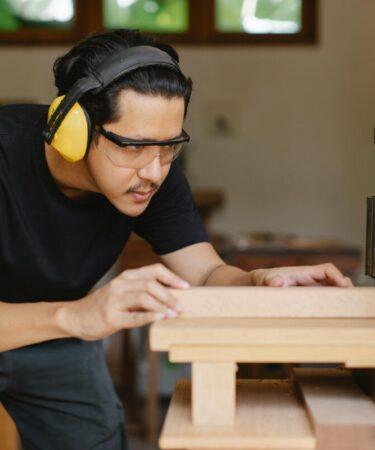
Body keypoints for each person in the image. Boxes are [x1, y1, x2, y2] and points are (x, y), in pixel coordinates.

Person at [0, 29, 352, 450]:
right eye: (133, 147)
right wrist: (77, 316)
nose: (154, 170)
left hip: (52, 339)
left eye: (170, 147)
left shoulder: (153, 177)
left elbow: (205, 274)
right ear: (71, 129)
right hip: (53, 323)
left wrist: (259, 282)